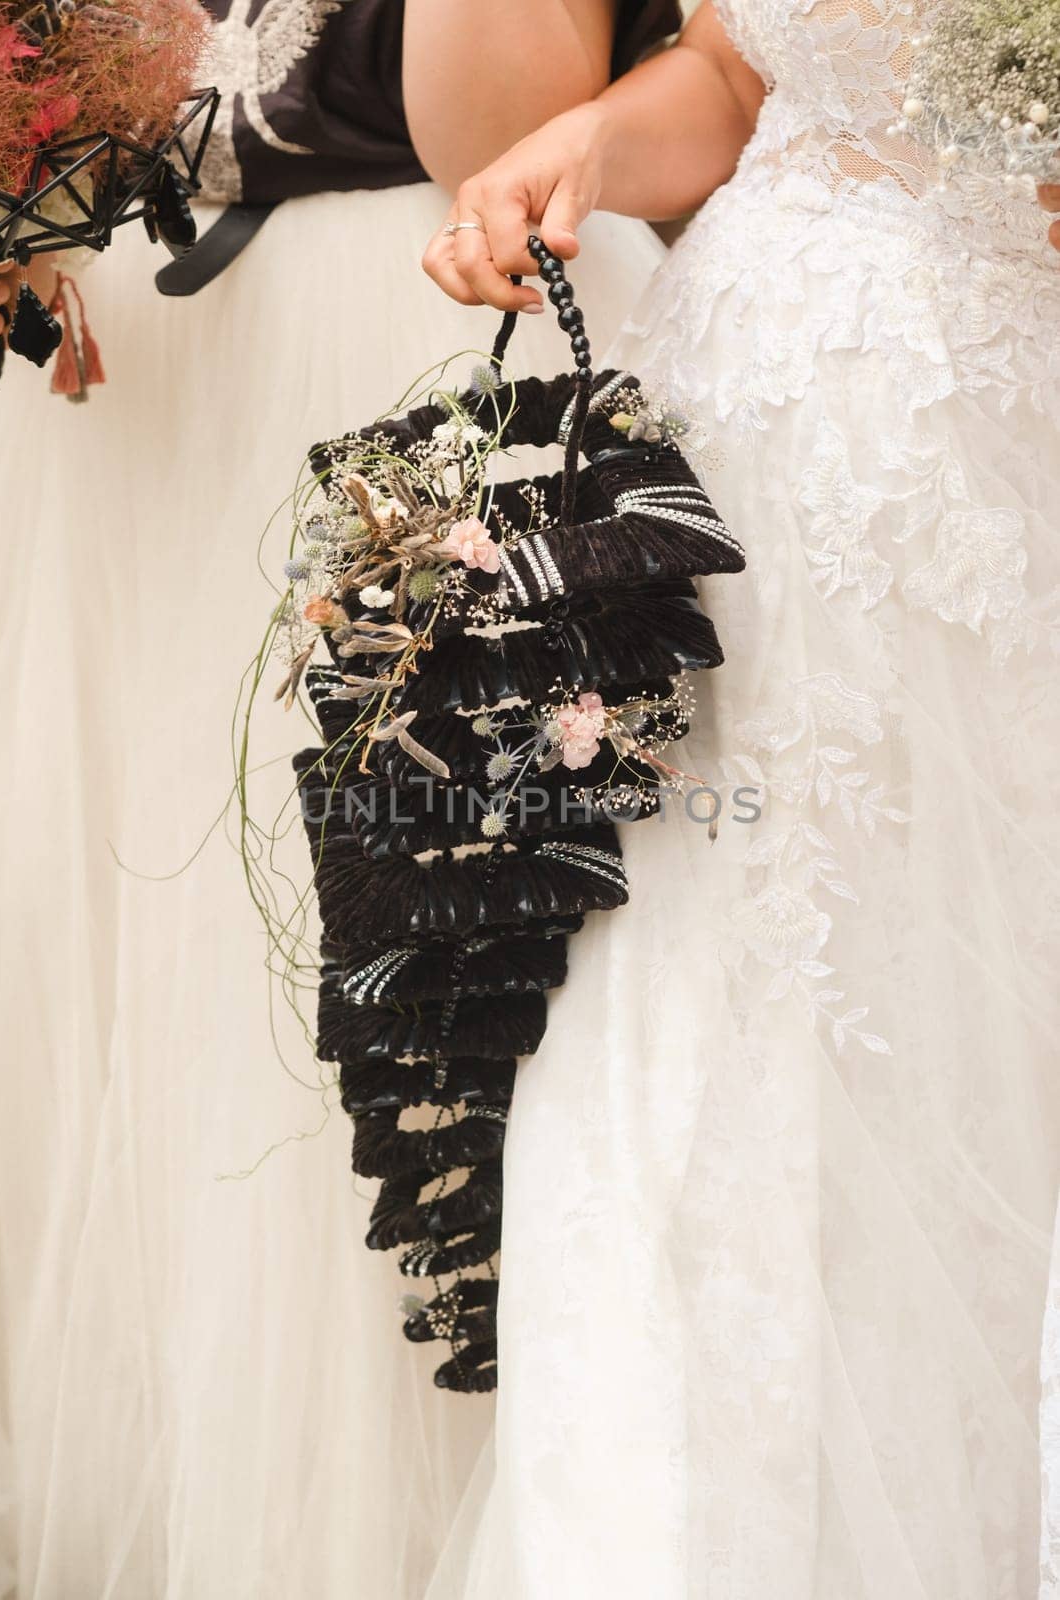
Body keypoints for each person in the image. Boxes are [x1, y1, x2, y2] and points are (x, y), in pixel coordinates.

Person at [0, 4, 681, 1594]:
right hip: (138, 423)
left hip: (400, 363)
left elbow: (496, 119)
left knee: (372, 992)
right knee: (148, 993)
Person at [421, 4, 1060, 1595]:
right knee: (685, 1063)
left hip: (1000, 460)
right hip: (749, 463)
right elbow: (742, 76)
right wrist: (587, 143)